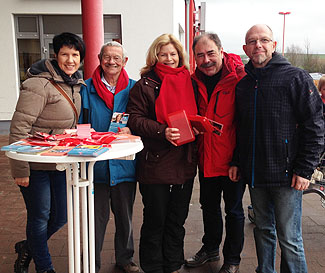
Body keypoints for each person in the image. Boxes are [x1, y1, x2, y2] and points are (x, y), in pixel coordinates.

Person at [230, 24, 324, 273]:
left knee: (290, 239)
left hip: (287, 176)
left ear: (273, 45)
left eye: (263, 40)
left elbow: (315, 126)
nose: (257, 45)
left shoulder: (295, 77)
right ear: (245, 48)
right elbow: (242, 129)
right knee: (263, 231)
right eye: (252, 41)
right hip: (256, 175)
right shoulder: (244, 85)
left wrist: (305, 170)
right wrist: (238, 162)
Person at [9, 32, 86, 273]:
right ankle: (45, 267)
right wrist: (20, 169)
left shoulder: (74, 83)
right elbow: (19, 127)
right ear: (55, 55)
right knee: (40, 217)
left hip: (59, 163)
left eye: (75, 55)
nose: (70, 59)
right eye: (65, 54)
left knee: (60, 216)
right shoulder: (39, 84)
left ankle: (29, 246)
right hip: (35, 165)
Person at [126, 33, 198, 273]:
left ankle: (174, 263)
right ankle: (154, 266)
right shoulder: (144, 84)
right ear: (155, 56)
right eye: (163, 54)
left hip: (184, 160)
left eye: (173, 54)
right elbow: (135, 119)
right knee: (156, 218)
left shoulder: (190, 80)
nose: (168, 58)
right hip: (155, 161)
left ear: (180, 56)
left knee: (177, 219)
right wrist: (162, 131)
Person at [184, 33, 246, 273]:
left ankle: (233, 259)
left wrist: (238, 159)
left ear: (221, 51)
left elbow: (245, 124)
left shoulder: (238, 79)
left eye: (210, 53)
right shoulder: (192, 81)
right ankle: (210, 249)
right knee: (208, 207)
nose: (206, 60)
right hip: (206, 158)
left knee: (233, 211)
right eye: (200, 55)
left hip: (232, 161)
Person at [79, 41, 140, 273]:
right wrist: (89, 139)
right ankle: (90, 263)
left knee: (125, 216)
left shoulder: (134, 88)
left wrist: (132, 129)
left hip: (124, 165)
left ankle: (125, 259)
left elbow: (140, 120)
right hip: (96, 166)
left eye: (117, 57)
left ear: (125, 62)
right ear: (99, 59)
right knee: (96, 220)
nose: (111, 61)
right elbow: (80, 125)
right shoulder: (86, 88)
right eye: (107, 57)